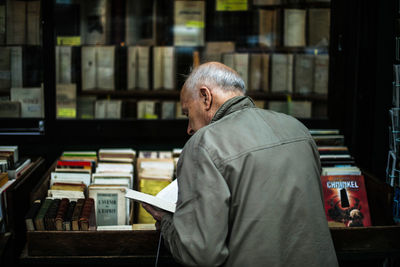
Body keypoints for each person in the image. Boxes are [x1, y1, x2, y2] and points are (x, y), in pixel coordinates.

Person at [142, 62, 339, 267]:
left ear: (205, 97)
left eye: (187, 113)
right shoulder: (299, 130)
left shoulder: (204, 144)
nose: (189, 128)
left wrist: (166, 222)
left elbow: (200, 254)